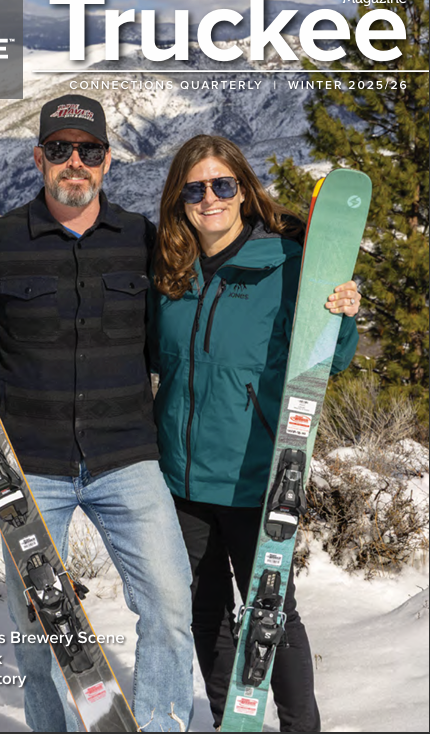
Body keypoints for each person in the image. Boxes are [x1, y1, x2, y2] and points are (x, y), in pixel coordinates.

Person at [0, 94, 194, 733]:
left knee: (172, 607)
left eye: (88, 151)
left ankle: (163, 723)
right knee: (40, 627)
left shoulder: (140, 239)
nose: (75, 164)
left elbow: (197, 311)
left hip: (127, 457)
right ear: (39, 158)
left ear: (107, 163)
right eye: (60, 150)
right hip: (28, 468)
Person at [150, 134, 362, 732]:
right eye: (195, 188)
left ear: (243, 190)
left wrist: (343, 314)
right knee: (204, 610)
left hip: (255, 474)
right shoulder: (170, 269)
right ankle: (230, 721)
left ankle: (301, 726)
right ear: (179, 198)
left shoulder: (287, 261)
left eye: (223, 184)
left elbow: (330, 359)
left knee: (271, 614)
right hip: (181, 477)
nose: (209, 198)